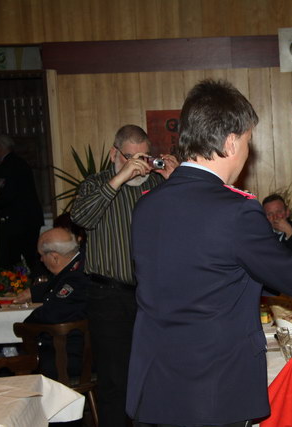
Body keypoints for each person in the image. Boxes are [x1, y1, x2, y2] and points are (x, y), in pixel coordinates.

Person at [126, 79, 292, 427]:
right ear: (231, 142)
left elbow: (209, 273)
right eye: (248, 141)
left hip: (156, 385)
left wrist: (283, 267)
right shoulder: (235, 209)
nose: (248, 152)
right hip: (212, 391)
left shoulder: (147, 205)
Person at [71, 124, 178, 427]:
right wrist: (119, 179)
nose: (138, 165)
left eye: (144, 157)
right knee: (115, 380)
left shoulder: (157, 184)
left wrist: (176, 182)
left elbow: (188, 223)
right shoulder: (95, 184)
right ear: (114, 154)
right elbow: (81, 217)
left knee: (157, 375)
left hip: (152, 296)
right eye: (131, 157)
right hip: (108, 296)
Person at [13, 227, 88, 380]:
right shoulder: (81, 265)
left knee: (14, 360)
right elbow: (57, 284)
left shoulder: (74, 279)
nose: (41, 260)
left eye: (42, 256)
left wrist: (24, 324)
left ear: (54, 257)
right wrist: (34, 292)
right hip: (79, 351)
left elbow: (52, 313)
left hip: (68, 357)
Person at [0, 134, 44, 272]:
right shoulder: (20, 162)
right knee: (31, 257)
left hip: (17, 222)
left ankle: (20, 282)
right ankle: (37, 281)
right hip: (28, 219)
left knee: (12, 258)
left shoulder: (7, 166)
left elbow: (6, 194)